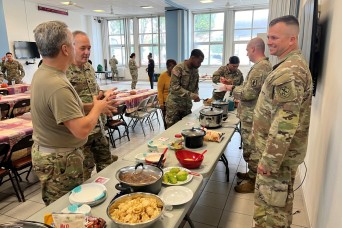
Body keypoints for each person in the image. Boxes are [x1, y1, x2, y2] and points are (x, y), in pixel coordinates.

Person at [31, 21, 115, 205]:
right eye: (73, 44)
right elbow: (81, 130)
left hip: (57, 156)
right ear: (66, 49)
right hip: (59, 162)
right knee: (66, 209)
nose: (83, 51)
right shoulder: (56, 84)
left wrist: (94, 105)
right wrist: (97, 108)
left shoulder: (45, 73)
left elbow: (66, 109)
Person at [252, 15, 312, 228]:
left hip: (276, 162)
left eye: (275, 37)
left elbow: (285, 121)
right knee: (278, 209)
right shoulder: (290, 64)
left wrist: (269, 160)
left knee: (269, 216)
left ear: (292, 39)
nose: (269, 42)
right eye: (268, 37)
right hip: (280, 159)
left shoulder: (290, 71)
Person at [66, 30, 118, 180]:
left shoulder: (89, 67)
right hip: (81, 132)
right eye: (83, 48)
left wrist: (104, 94)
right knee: (85, 173)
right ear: (71, 47)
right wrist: (97, 107)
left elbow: (94, 93)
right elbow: (68, 106)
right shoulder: (65, 72)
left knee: (107, 165)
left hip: (98, 128)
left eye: (89, 48)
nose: (87, 52)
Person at [227, 37, 272, 193]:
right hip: (250, 116)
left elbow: (248, 94)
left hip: (253, 117)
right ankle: (251, 174)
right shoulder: (260, 66)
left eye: (247, 50)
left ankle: (253, 182)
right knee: (249, 148)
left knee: (252, 149)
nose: (246, 54)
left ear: (254, 49)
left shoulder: (261, 68)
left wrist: (231, 88)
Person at [165, 49, 204, 128]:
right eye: (199, 62)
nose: (200, 64)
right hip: (174, 106)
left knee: (185, 129)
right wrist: (191, 95)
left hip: (186, 106)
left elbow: (196, 85)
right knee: (172, 130)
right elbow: (175, 87)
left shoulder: (195, 70)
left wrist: (196, 94)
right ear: (192, 58)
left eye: (201, 62)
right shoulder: (178, 68)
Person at [157, 59, 177, 129]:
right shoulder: (162, 76)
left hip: (175, 102)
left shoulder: (176, 75)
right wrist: (161, 103)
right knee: (167, 122)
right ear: (167, 67)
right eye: (171, 67)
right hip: (166, 103)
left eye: (175, 67)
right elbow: (160, 91)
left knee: (175, 121)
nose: (173, 68)